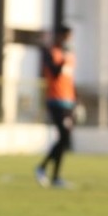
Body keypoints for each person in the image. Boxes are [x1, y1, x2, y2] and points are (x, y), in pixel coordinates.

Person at [34, 25, 76, 190]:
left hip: (69, 101)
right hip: (55, 100)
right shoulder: (51, 52)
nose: (68, 40)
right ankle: (42, 167)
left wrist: (76, 99)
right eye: (66, 37)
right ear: (59, 36)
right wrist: (64, 58)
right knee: (64, 135)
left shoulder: (70, 54)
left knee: (65, 138)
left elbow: (69, 79)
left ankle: (55, 176)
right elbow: (55, 72)